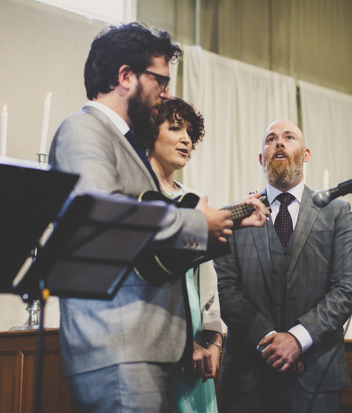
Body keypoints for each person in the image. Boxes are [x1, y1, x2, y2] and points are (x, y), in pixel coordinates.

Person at [49, 23, 268, 412]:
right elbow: (102, 213)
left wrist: (221, 224)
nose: (167, 94)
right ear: (125, 76)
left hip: (150, 349)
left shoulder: (129, 148)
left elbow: (151, 260)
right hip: (118, 347)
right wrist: (199, 224)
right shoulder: (83, 129)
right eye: (161, 81)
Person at [214, 119, 352, 412]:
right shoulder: (233, 215)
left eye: (289, 137)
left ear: (306, 154)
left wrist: (298, 339)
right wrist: (269, 341)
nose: (279, 143)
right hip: (248, 377)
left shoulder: (337, 212)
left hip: (317, 374)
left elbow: (347, 286)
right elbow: (224, 288)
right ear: (261, 158)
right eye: (271, 139)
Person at [147, 98, 224, 412]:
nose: (186, 140)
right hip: (158, 330)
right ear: (150, 133)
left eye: (191, 134)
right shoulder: (141, 195)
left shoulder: (192, 198)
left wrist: (215, 340)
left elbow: (207, 276)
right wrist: (180, 344)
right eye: (175, 128)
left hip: (196, 327)